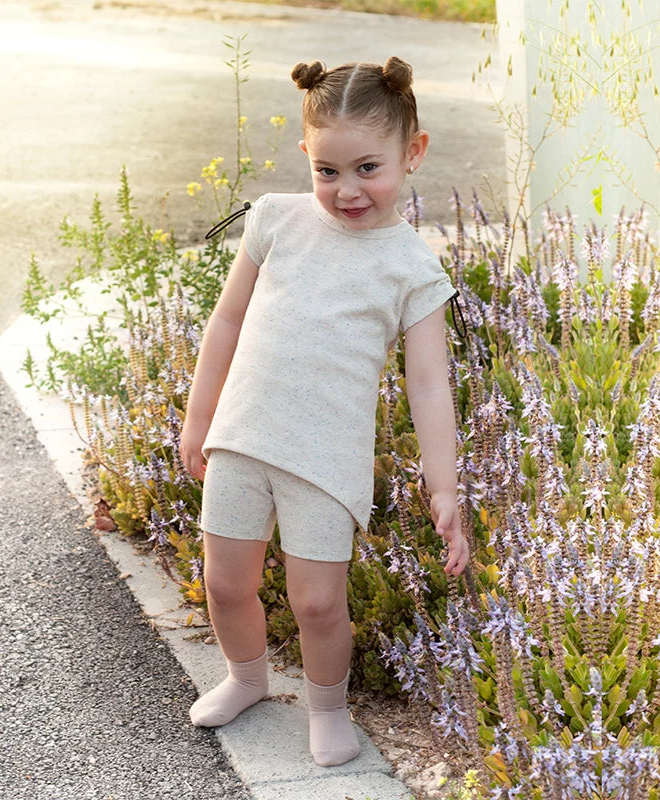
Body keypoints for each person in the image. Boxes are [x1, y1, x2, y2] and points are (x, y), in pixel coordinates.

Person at [179, 56, 470, 768]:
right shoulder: (275, 221)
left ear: (414, 152)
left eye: (369, 168)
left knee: (317, 603)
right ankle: (247, 678)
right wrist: (199, 417)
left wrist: (445, 487)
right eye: (327, 171)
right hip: (243, 436)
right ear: (306, 154)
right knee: (225, 581)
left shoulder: (412, 267)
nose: (347, 191)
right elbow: (226, 324)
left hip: (324, 459)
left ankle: (328, 706)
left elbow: (429, 387)